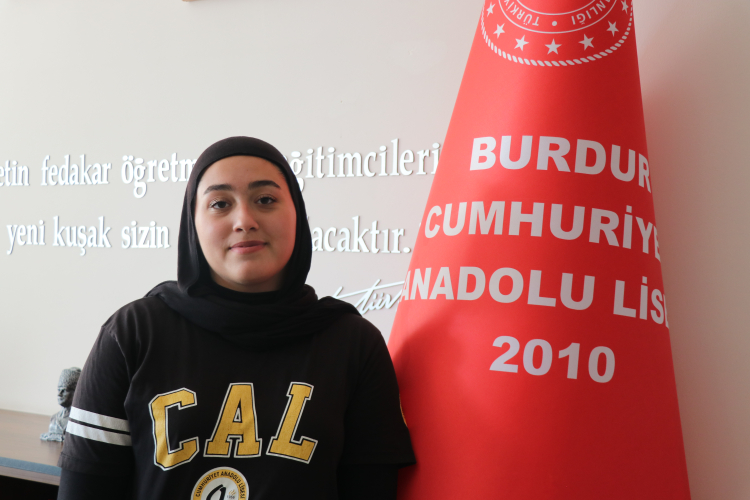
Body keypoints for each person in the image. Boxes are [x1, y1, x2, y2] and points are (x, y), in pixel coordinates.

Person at [57, 137, 415, 499]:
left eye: (266, 200)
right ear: (192, 224)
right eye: (220, 204)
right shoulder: (133, 334)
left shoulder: (353, 344)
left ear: (298, 214)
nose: (244, 220)